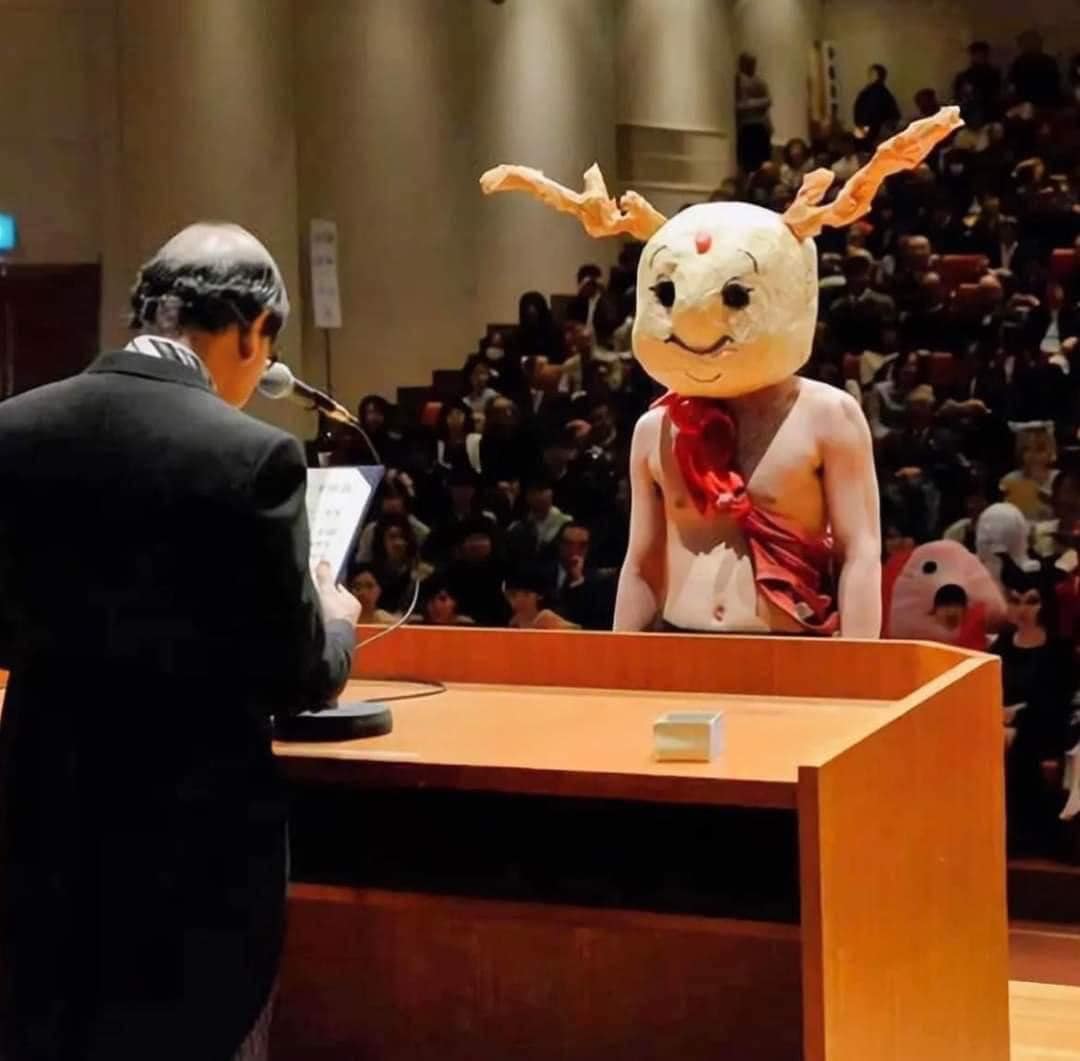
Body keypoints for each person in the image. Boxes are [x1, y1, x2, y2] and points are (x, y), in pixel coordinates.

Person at [0, 222, 360, 1060]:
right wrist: (336, 617)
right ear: (251, 328)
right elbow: (298, 672)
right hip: (189, 854)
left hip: (41, 822)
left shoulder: (11, 430)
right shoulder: (252, 454)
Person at [991, 559, 1076, 854]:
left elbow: (1056, 704)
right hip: (995, 727)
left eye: (1031, 602)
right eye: (1015, 601)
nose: (1023, 610)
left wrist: (1017, 721)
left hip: (1042, 731)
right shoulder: (1000, 646)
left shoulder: (1058, 651)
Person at [504, 568, 578, 630]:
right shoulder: (512, 624)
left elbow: (580, 633)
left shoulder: (546, 617)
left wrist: (558, 625)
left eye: (527, 594)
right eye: (512, 595)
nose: (519, 600)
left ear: (539, 596)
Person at [735, 52, 772, 174]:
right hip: (746, 125)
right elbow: (740, 105)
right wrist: (752, 105)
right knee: (747, 163)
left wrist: (750, 104)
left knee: (763, 162)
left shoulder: (759, 81)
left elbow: (767, 100)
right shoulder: (738, 80)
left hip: (760, 124)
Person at [1009, 30, 1062, 109]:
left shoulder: (1020, 62)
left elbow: (1013, 85)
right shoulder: (1049, 61)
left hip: (1034, 105)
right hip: (1043, 104)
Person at [954, 42, 1002, 123]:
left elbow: (997, 94)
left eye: (981, 55)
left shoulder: (994, 74)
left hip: (989, 114)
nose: (979, 57)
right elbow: (959, 96)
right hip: (970, 114)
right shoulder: (964, 76)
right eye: (976, 54)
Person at [854, 64, 901, 145]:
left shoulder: (882, 94)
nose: (870, 77)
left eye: (873, 74)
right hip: (866, 128)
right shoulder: (867, 93)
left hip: (877, 132)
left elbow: (892, 115)